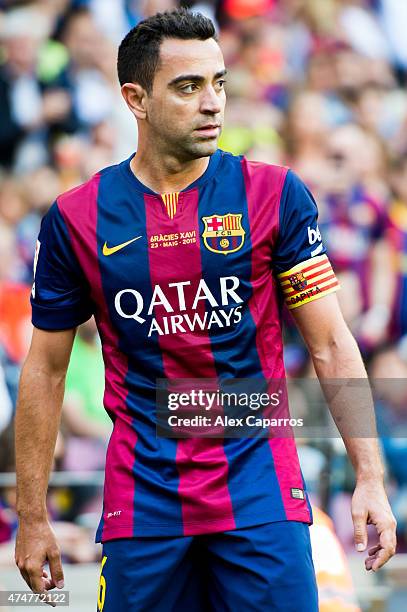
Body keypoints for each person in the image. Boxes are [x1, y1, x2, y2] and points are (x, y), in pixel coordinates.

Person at [14, 8, 396, 611]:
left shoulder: (274, 194)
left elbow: (328, 342)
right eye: (188, 87)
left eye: (218, 82)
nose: (212, 102)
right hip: (144, 500)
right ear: (135, 99)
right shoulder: (76, 218)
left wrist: (370, 476)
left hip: (261, 488)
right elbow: (45, 369)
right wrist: (30, 515)